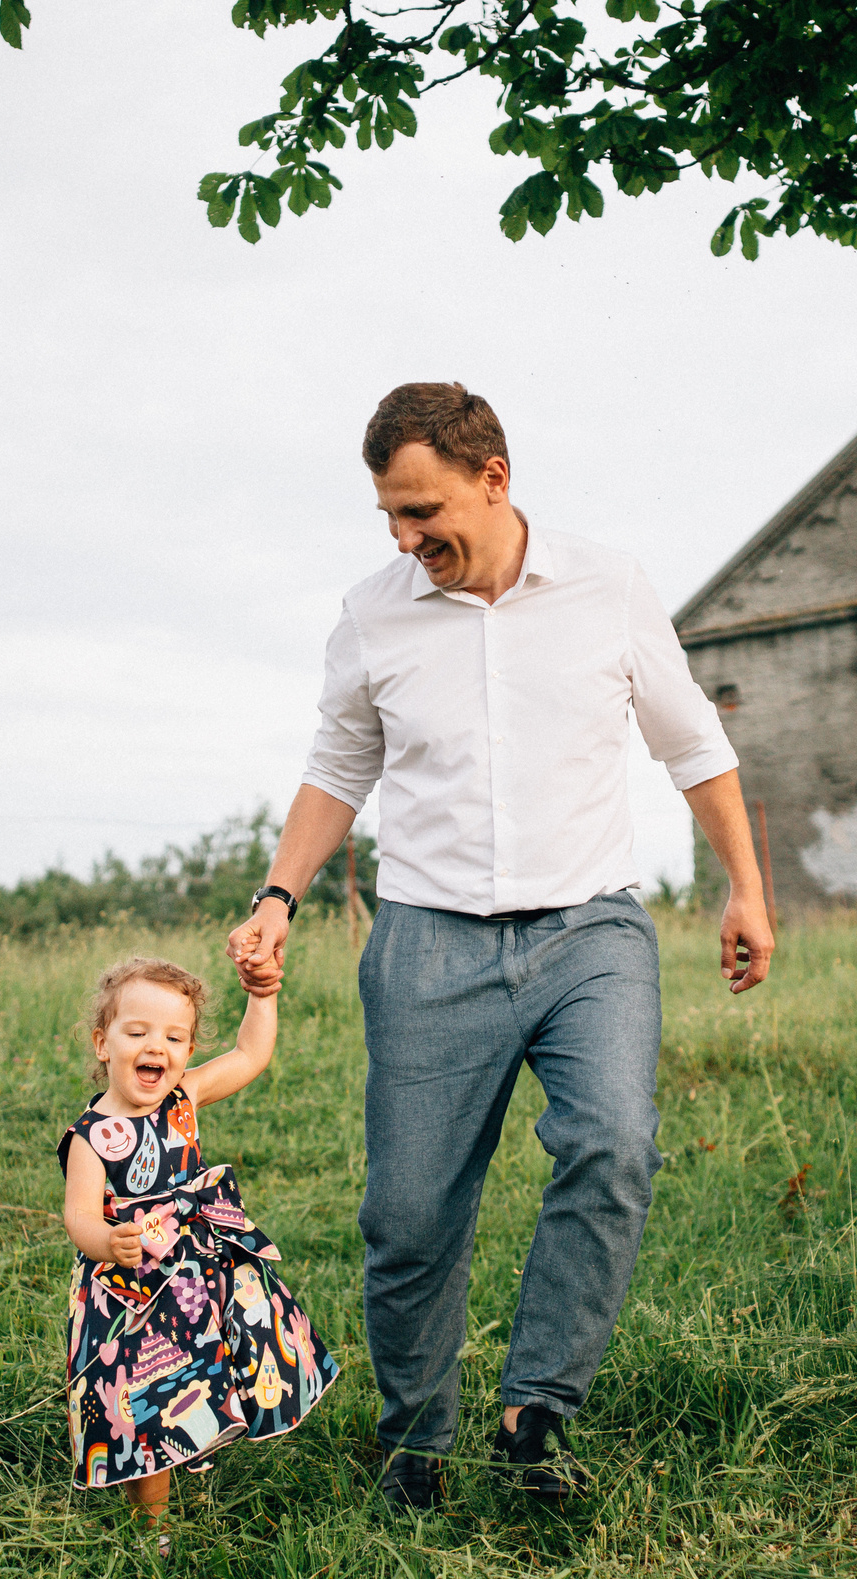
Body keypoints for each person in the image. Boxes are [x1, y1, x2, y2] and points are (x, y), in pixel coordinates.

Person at [227, 382, 774, 1511]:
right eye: (387, 515)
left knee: (614, 1146)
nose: (404, 536)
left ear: (494, 478)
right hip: (428, 941)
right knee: (409, 1215)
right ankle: (417, 1440)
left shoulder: (607, 586)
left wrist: (744, 888)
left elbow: (694, 747)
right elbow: (337, 768)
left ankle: (535, 1414)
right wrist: (279, 896)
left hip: (591, 931)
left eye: (422, 510)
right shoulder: (373, 612)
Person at [57, 955, 336, 1546]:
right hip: (129, 1294)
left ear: (185, 1051)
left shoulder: (182, 1098)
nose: (155, 1046)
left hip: (199, 1274)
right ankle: (152, 1525)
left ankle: (201, 1442)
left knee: (210, 1368)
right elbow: (77, 1214)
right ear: (103, 1044)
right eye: (137, 1033)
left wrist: (262, 997)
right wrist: (108, 1240)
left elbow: (249, 1057)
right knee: (143, 1399)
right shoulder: (91, 1137)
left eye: (174, 1036)